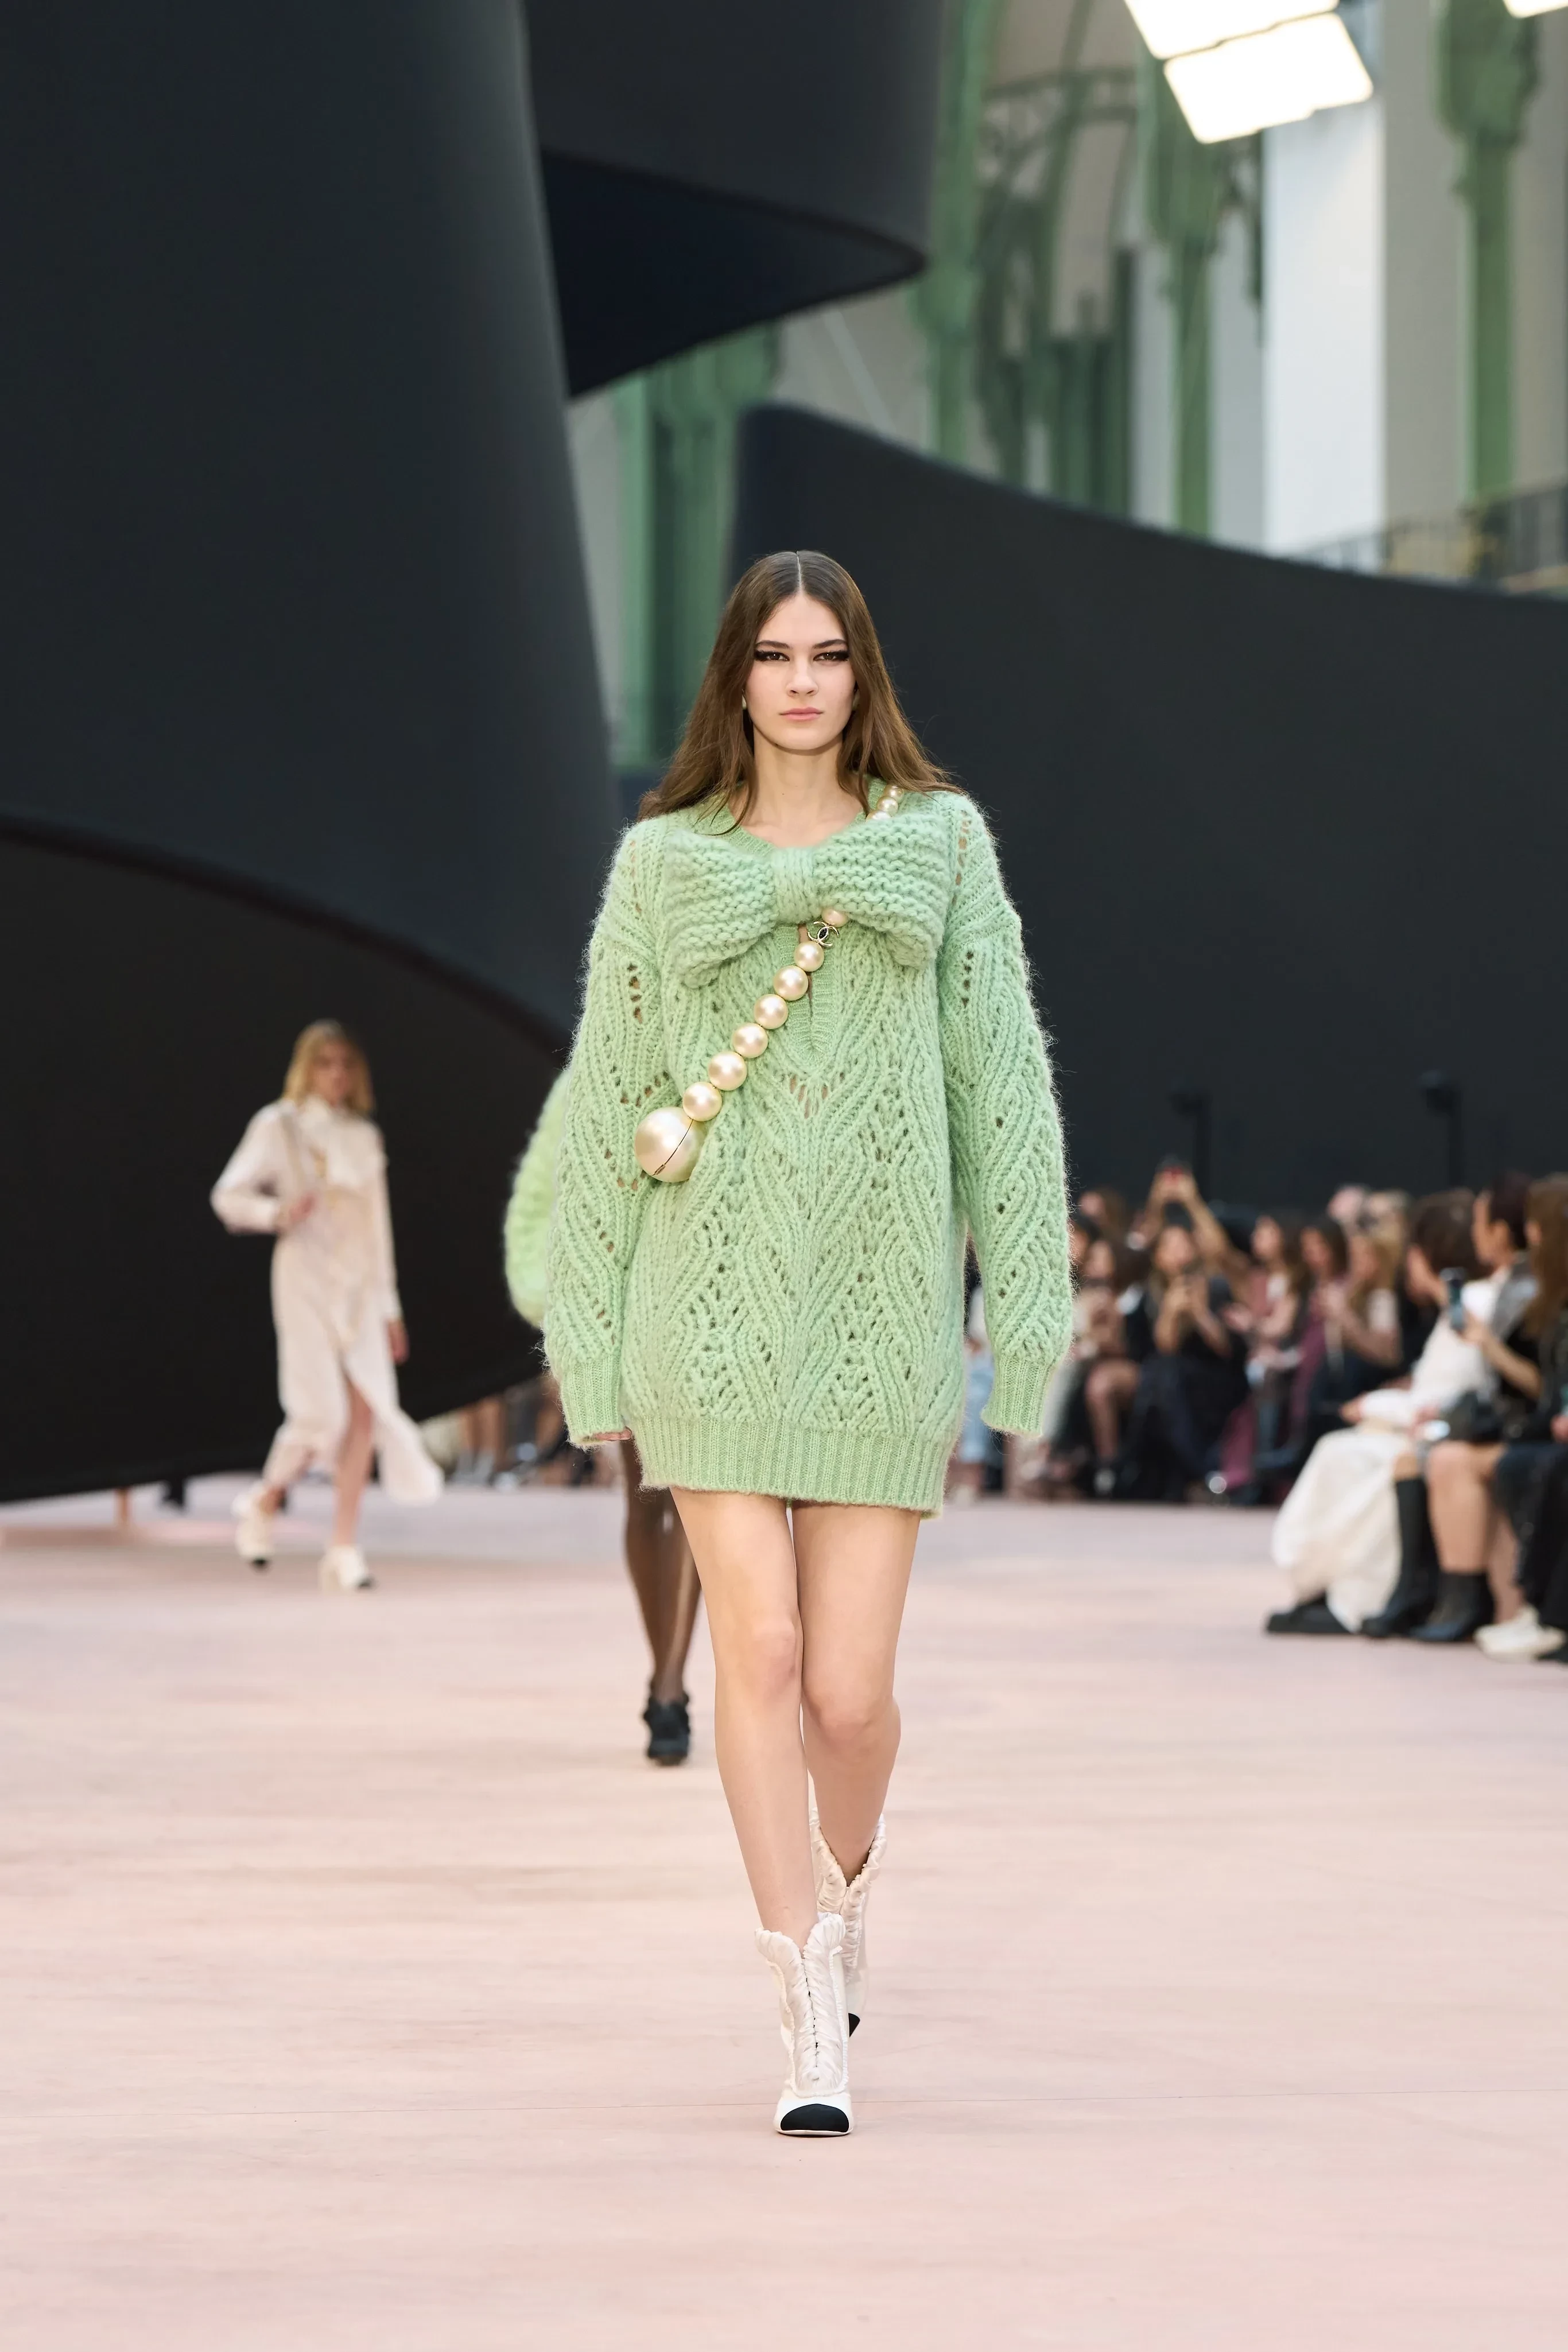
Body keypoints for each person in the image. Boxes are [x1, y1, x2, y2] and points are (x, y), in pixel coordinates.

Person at [542, 549, 1071, 2134]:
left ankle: (845, 1897)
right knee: (757, 1656)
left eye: (826, 654)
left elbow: (1003, 1088)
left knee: (848, 1696)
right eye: (773, 654)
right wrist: (590, 1345)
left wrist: (1025, 1319)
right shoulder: (662, 864)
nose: (798, 681)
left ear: (861, 674)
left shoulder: (940, 844)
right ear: (736, 675)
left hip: (881, 1317)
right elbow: (605, 1102)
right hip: (701, 1314)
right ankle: (801, 1999)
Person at [505, 1070, 703, 1761]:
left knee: (696, 1497)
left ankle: (671, 1684)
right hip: (623, 1310)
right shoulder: (597, 1069)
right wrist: (560, 1304)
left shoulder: (726, 1057)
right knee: (646, 1499)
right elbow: (544, 1194)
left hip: (705, 1305)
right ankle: (663, 1671)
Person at [212, 1020, 440, 1589]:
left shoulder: (363, 1136)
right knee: (320, 1416)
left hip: (359, 1285)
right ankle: (266, 1498)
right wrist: (276, 1214)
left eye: (344, 1063)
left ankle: (343, 1547)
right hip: (304, 1277)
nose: (336, 1074)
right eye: (325, 1063)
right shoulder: (279, 1125)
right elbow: (228, 1195)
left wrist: (390, 1307)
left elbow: (377, 1228)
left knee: (368, 1408)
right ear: (306, 1067)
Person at [1267, 1191, 1487, 1634]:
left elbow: (1453, 1386)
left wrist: (1381, 1404)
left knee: (1369, 1464)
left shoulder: (1470, 1305)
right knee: (1339, 1450)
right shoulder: (1448, 1308)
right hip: (1417, 1417)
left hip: (1435, 1427)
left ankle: (1361, 1598)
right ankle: (1328, 1586)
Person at [1112, 1217, 1248, 1499]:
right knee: (1163, 1376)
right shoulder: (1151, 1295)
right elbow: (1165, 1347)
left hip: (1214, 1376)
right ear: (1158, 1257)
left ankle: (1129, 1464)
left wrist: (1200, 1313)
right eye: (1169, 1247)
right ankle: (1199, 1471)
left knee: (1160, 1381)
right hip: (1174, 1381)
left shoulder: (1216, 1286)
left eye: (1183, 1245)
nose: (1178, 1253)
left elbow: (1226, 1349)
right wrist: (1171, 1312)